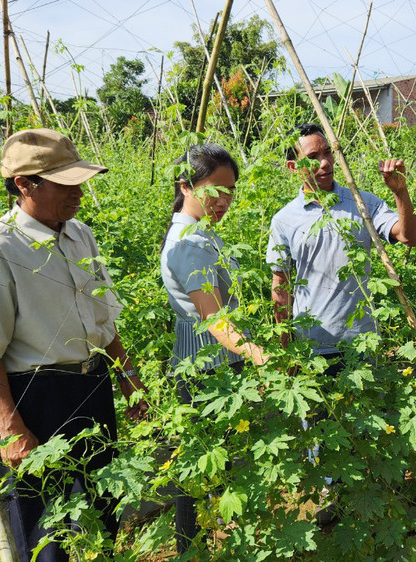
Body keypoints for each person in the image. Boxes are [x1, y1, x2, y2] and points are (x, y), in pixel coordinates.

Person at [0, 128, 148, 561]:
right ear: (24, 184)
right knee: (49, 531)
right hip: (35, 398)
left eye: (79, 180)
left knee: (102, 510)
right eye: (65, 183)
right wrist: (10, 428)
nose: (78, 191)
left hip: (92, 387)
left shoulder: (79, 233)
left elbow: (104, 321)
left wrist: (129, 380)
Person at [160, 144, 269, 552]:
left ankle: (206, 545)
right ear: (186, 185)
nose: (224, 200)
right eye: (215, 189)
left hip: (208, 365)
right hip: (207, 372)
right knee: (201, 469)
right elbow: (214, 319)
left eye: (230, 190)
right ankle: (191, 549)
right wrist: (258, 353)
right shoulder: (191, 243)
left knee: (208, 466)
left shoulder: (199, 233)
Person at [266, 123, 416, 364]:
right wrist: (288, 351)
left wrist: (401, 193)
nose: (325, 162)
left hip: (361, 342)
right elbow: (281, 285)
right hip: (311, 348)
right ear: (293, 167)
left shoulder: (362, 203)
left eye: (328, 152)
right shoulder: (284, 220)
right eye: (313, 157)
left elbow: (410, 237)